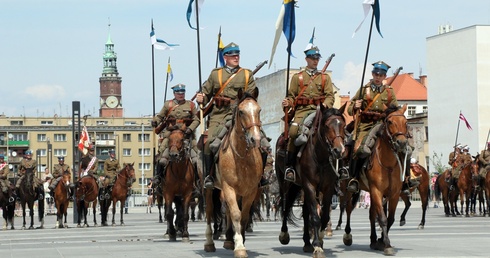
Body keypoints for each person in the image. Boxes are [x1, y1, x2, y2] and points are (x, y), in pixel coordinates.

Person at [196, 42, 270, 189]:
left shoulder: (247, 74)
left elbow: (250, 96)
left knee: (263, 143)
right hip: (219, 115)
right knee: (210, 143)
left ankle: (260, 176)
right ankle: (209, 176)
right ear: (225, 57)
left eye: (237, 55)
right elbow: (206, 93)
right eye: (232, 55)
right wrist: (201, 98)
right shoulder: (215, 74)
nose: (236, 57)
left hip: (241, 115)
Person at [346, 61, 413, 195]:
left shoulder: (389, 92)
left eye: (381, 74)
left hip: (383, 125)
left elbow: (395, 109)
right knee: (358, 148)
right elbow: (349, 109)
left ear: (384, 76)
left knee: (406, 149)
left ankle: (406, 180)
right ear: (372, 74)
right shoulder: (364, 90)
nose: (378, 76)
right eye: (376, 74)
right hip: (366, 125)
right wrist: (355, 106)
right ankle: (354, 178)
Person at [281, 45, 335, 182]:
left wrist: (326, 104)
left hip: (320, 111)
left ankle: (336, 169)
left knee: (336, 132)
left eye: (317, 58)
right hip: (302, 111)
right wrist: (289, 103)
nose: (315, 61)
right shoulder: (297, 78)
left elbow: (330, 96)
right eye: (312, 58)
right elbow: (292, 96)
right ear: (306, 59)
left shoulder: (324, 78)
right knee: (293, 132)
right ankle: (290, 167)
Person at [151, 83, 200, 187]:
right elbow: (160, 116)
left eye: (182, 92)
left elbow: (197, 120)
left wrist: (190, 129)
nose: (180, 94)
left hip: (186, 135)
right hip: (170, 135)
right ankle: (158, 178)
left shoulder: (191, 105)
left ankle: (198, 181)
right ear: (174, 93)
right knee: (162, 156)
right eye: (178, 92)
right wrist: (155, 121)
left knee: (196, 158)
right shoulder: (168, 104)